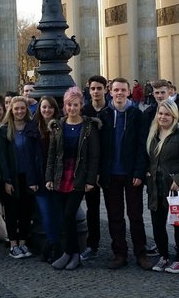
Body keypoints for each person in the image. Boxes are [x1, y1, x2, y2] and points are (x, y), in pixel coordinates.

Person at [98, 77, 152, 271]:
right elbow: (100, 149)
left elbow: (142, 145)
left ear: (129, 92)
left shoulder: (138, 115)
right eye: (116, 90)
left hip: (131, 175)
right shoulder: (104, 115)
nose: (119, 93)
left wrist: (139, 171)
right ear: (110, 92)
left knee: (135, 215)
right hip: (111, 175)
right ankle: (120, 253)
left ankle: (141, 253)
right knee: (115, 216)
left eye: (123, 90)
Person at [46, 86, 100, 271]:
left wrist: (91, 180)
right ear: (65, 106)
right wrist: (49, 177)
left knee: (69, 215)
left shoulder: (89, 126)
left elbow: (94, 156)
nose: (72, 108)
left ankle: (73, 253)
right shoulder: (57, 125)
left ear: (81, 105)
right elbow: (52, 154)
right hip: (61, 175)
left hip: (78, 176)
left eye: (75, 105)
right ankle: (70, 252)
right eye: (69, 105)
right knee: (64, 217)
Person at [145, 99, 179, 273]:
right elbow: (149, 159)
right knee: (157, 225)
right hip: (156, 188)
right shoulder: (152, 135)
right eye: (160, 113)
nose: (163, 117)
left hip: (176, 190)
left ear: (174, 116)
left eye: (167, 114)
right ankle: (164, 256)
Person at [0, 96, 41, 259]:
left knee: (25, 211)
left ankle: (23, 243)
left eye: (22, 108)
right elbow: (3, 158)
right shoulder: (4, 131)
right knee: (11, 212)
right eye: (16, 109)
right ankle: (13, 244)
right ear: (11, 110)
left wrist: (34, 179)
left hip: (27, 177)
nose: (19, 111)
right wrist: (6, 180)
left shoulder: (32, 129)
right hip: (11, 178)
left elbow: (35, 155)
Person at [80, 74, 109, 261]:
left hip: (109, 167)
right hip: (90, 168)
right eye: (93, 88)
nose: (96, 91)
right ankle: (93, 244)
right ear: (89, 90)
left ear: (106, 89)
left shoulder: (111, 110)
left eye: (99, 88)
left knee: (114, 209)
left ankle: (118, 244)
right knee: (92, 209)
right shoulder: (85, 111)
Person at [33, 95, 62, 263]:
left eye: (50, 107)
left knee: (58, 214)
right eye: (44, 107)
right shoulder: (33, 128)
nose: (47, 110)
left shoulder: (60, 126)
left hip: (56, 179)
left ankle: (52, 248)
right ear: (39, 109)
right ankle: (53, 246)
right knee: (47, 215)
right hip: (40, 178)